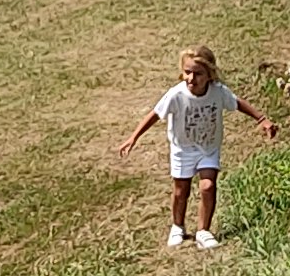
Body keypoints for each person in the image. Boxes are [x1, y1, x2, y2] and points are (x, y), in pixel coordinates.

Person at [119, 44, 277, 248]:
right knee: (180, 191)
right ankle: (178, 226)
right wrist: (134, 137)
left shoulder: (218, 92)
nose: (191, 78)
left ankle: (203, 231)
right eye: (187, 72)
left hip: (208, 148)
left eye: (198, 74)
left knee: (208, 186)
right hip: (182, 149)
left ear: (210, 74)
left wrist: (262, 119)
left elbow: (237, 103)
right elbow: (156, 114)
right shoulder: (176, 95)